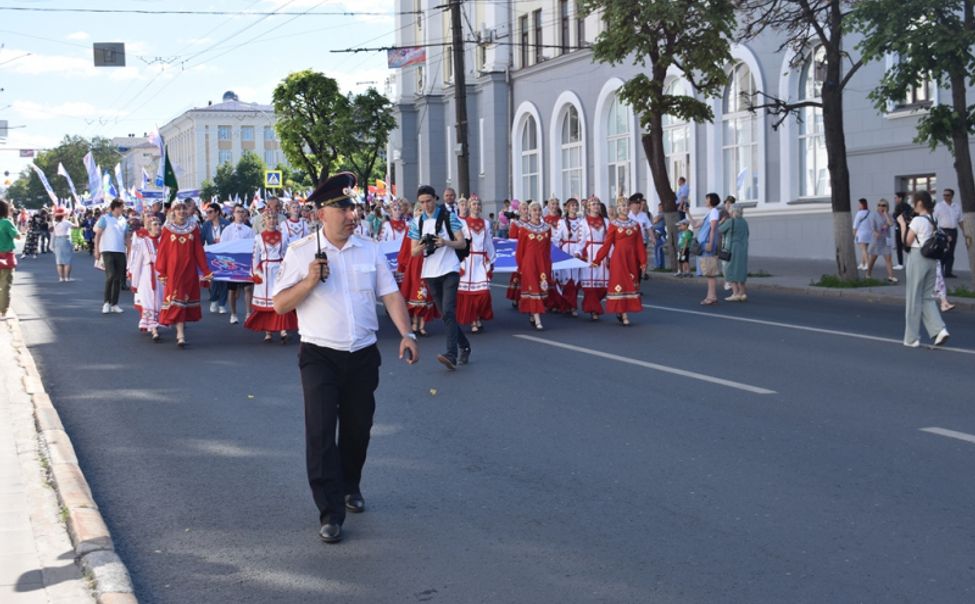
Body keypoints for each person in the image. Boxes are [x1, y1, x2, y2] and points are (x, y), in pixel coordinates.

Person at [271, 172, 418, 545]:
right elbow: (279, 304)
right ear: (323, 212)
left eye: (353, 207)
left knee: (357, 429)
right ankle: (330, 511)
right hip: (320, 354)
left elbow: (390, 294)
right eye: (344, 207)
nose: (353, 213)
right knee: (321, 433)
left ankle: (351, 484)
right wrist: (308, 281)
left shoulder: (368, 249)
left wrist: (406, 334)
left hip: (362, 354)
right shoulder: (301, 252)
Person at [409, 185, 470, 370]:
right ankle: (464, 345)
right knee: (445, 315)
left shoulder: (448, 217)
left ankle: (451, 354)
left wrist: (444, 242)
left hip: (450, 269)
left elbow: (461, 243)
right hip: (430, 272)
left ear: (435, 199)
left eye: (429, 201)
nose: (426, 205)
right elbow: (413, 253)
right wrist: (423, 244)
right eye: (422, 202)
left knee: (449, 311)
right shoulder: (417, 222)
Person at [155, 200, 213, 347]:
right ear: (173, 212)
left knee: (184, 299)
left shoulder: (193, 228)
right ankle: (180, 334)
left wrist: (205, 270)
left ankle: (180, 327)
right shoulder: (167, 229)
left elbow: (198, 251)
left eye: (183, 209)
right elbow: (162, 251)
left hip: (189, 270)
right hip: (173, 271)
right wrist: (161, 271)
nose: (181, 212)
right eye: (178, 209)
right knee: (177, 298)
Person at [903, 191, 949, 348]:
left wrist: (903, 225)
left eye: (914, 202)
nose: (912, 205)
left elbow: (908, 242)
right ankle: (939, 329)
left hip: (918, 257)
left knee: (913, 298)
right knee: (927, 298)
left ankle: (911, 338)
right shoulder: (934, 219)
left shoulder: (917, 220)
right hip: (932, 260)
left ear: (920, 203)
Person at [592, 200, 647, 326]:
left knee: (630, 285)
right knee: (620, 284)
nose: (625, 208)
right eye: (623, 206)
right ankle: (623, 313)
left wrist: (643, 261)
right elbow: (607, 244)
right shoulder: (614, 224)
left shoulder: (635, 225)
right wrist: (598, 259)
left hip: (631, 259)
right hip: (619, 259)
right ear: (618, 208)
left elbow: (639, 245)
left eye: (627, 205)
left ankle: (623, 310)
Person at [245, 212, 297, 343]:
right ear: (264, 221)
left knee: (280, 298)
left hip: (279, 270)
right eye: (269, 218)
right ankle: (268, 332)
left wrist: (289, 272)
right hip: (265, 271)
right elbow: (255, 257)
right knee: (267, 302)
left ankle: (283, 330)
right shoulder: (259, 237)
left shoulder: (284, 236)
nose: (272, 221)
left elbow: (287, 256)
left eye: (274, 218)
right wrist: (255, 274)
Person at [397, 205, 438, 335]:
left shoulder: (431, 227)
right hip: (415, 264)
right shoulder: (411, 228)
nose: (420, 212)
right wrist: (404, 264)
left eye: (422, 210)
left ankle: (422, 324)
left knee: (427, 292)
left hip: (428, 262)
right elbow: (405, 248)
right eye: (418, 210)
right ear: (414, 212)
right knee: (417, 291)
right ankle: (415, 322)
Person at [457, 197, 495, 333]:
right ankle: (473, 319)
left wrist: (492, 258)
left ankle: (478, 315)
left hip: (481, 259)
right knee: (470, 293)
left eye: (478, 204)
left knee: (483, 292)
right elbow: (460, 242)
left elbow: (489, 241)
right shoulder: (463, 223)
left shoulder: (486, 223)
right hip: (469, 259)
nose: (476, 206)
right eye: (473, 204)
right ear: (468, 206)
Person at [516, 201, 554, 330]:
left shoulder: (547, 228)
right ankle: (538, 319)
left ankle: (533, 312)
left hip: (542, 263)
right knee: (534, 289)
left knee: (542, 288)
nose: (537, 213)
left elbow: (548, 249)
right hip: (529, 263)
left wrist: (549, 264)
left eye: (538, 210)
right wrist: (521, 266)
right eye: (534, 210)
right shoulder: (524, 229)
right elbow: (520, 250)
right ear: (529, 212)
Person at [128, 215, 164, 341]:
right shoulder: (143, 242)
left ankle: (156, 325)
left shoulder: (164, 242)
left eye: (159, 224)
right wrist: (135, 282)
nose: (158, 227)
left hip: (161, 276)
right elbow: (138, 263)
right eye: (155, 224)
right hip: (147, 275)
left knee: (159, 301)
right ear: (149, 227)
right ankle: (154, 329)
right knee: (149, 300)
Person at [94, 199, 131, 314]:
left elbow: (127, 237)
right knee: (111, 275)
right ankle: (106, 303)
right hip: (107, 250)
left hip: (120, 251)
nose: (123, 209)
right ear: (116, 207)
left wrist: (130, 250)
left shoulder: (124, 220)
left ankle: (114, 304)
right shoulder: (105, 218)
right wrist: (97, 250)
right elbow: (98, 235)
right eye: (121, 207)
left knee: (118, 278)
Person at [222, 205, 255, 325]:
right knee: (232, 290)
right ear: (233, 214)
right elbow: (223, 246)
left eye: (242, 212)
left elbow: (253, 245)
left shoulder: (249, 230)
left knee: (247, 288)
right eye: (238, 212)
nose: (240, 214)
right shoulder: (227, 229)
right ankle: (233, 314)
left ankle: (248, 313)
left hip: (245, 261)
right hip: (231, 263)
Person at [578, 197, 609, 320]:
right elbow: (581, 240)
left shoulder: (606, 221)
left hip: (603, 251)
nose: (596, 206)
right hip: (590, 253)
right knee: (590, 283)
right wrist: (578, 252)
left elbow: (609, 239)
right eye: (593, 204)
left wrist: (610, 254)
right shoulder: (583, 222)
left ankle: (592, 304)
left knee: (603, 284)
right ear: (588, 207)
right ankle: (594, 309)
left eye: (598, 204)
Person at [555, 198, 583, 316]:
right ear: (567, 207)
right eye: (572, 205)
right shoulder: (561, 222)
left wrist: (579, 251)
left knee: (575, 278)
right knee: (566, 277)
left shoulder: (581, 221)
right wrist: (556, 254)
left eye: (576, 205)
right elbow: (557, 239)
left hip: (577, 249)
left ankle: (573, 305)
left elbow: (582, 239)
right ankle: (566, 304)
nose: (574, 208)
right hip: (566, 250)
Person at [201, 202, 230, 314]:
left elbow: (231, 240)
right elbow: (201, 240)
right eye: (207, 212)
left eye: (210, 212)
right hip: (211, 255)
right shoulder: (206, 225)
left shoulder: (226, 224)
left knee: (224, 280)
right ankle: (214, 300)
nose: (208, 214)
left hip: (224, 255)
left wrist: (223, 242)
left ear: (217, 212)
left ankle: (222, 304)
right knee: (213, 279)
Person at [933, 188, 969, 278]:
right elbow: (934, 219)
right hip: (943, 231)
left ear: (952, 196)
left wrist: (964, 231)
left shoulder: (956, 206)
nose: (945, 197)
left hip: (953, 231)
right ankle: (940, 271)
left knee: (951, 252)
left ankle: (948, 272)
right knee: (944, 251)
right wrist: (935, 231)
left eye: (947, 195)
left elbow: (960, 220)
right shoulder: (939, 206)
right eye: (944, 195)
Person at [694, 193, 722, 305]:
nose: (705, 201)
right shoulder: (709, 212)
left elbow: (713, 228)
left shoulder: (714, 212)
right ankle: (711, 296)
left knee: (710, 272)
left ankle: (711, 297)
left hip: (707, 244)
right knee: (708, 272)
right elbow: (695, 225)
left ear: (711, 200)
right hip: (704, 244)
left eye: (707, 199)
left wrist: (710, 243)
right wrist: (687, 213)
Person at [719, 206, 750, 301]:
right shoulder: (744, 222)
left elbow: (719, 230)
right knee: (740, 270)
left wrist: (721, 221)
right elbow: (747, 234)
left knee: (729, 270)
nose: (729, 212)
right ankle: (742, 293)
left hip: (731, 248)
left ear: (733, 212)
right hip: (743, 248)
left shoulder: (730, 221)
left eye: (730, 210)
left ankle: (735, 293)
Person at [867, 199, 898, 283]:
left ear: (887, 206)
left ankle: (891, 276)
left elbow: (891, 224)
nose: (881, 207)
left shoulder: (889, 215)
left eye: (883, 205)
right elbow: (872, 227)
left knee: (888, 258)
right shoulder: (873, 215)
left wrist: (885, 214)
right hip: (876, 240)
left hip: (885, 240)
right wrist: (875, 232)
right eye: (879, 205)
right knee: (873, 259)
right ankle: (868, 274)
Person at [0, 200, 20, 320]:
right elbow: (17, 235)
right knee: (5, 285)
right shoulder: (6, 222)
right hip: (5, 256)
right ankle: (3, 311)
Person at [51, 207, 74, 282]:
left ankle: (61, 277)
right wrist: (76, 218)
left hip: (57, 240)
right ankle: (67, 277)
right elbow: (77, 225)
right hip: (66, 239)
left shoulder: (54, 222)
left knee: (59, 261)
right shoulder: (66, 222)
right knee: (67, 260)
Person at [853, 198, 873, 271]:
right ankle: (862, 263)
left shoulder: (859, 213)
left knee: (863, 250)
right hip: (868, 233)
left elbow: (855, 225)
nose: (858, 205)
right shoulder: (870, 212)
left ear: (862, 205)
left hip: (861, 234)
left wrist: (854, 234)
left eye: (859, 204)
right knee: (865, 249)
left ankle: (867, 264)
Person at [891, 191, 910, 270]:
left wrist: (895, 215)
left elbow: (896, 216)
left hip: (899, 228)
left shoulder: (898, 206)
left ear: (900, 198)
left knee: (899, 246)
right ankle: (910, 263)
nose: (895, 199)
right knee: (908, 246)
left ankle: (900, 263)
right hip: (908, 228)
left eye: (896, 198)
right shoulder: (908, 206)